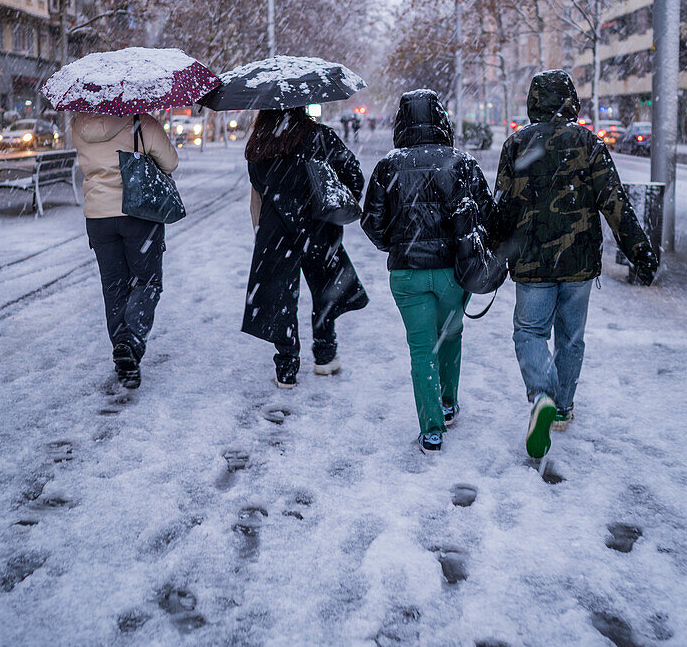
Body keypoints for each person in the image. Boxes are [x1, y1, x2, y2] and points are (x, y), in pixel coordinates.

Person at [494, 70, 658, 460]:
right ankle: (563, 407)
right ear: (571, 101)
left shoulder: (517, 144)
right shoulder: (589, 144)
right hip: (579, 263)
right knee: (570, 337)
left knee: (530, 332)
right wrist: (639, 251)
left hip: (531, 262)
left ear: (534, 101)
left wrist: (490, 249)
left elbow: (502, 207)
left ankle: (542, 396)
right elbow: (615, 202)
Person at [362, 89, 495, 454]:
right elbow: (487, 214)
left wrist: (400, 244)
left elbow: (372, 224)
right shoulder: (461, 162)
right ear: (442, 119)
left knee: (421, 349)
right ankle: (449, 402)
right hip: (454, 271)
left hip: (407, 274)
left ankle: (432, 430)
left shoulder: (389, 165)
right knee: (450, 334)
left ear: (401, 122)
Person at [243, 106, 368, 388]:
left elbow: (258, 185)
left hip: (276, 228)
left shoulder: (260, 142)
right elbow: (354, 177)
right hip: (318, 224)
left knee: (280, 296)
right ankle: (325, 355)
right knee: (325, 289)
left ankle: (286, 367)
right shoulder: (320, 136)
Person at [73, 112, 179, 387]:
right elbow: (171, 162)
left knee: (114, 286)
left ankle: (122, 347)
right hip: (138, 213)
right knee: (148, 281)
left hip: (98, 218)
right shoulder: (142, 122)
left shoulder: (78, 124)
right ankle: (131, 342)